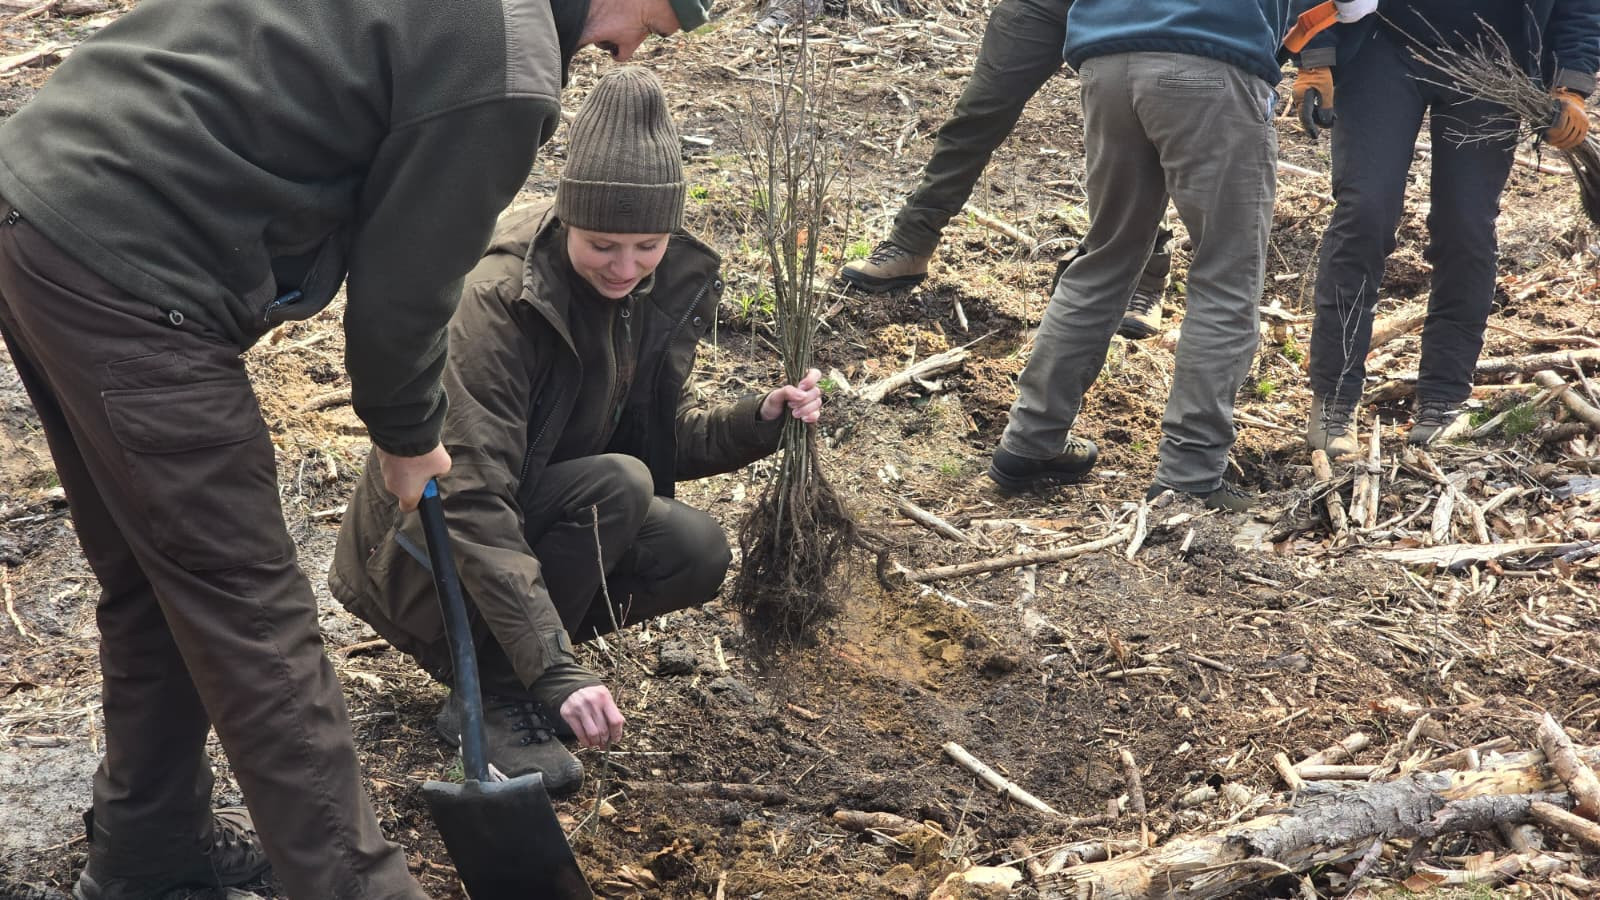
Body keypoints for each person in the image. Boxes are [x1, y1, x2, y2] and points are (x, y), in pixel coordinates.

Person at [0, 0, 712, 895]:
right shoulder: (506, 62)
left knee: (161, 576)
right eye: (660, 17)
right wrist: (409, 433)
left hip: (42, 195)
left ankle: (149, 847)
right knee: (252, 613)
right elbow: (408, 291)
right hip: (134, 262)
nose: (642, 45)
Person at [331, 67, 822, 795]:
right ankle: (494, 691)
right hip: (418, 558)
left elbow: (650, 440)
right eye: (603, 245)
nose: (626, 267)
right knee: (617, 487)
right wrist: (555, 671)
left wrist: (759, 421)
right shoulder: (497, 302)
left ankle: (514, 672)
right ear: (568, 220)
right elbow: (468, 498)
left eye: (648, 245)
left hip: (528, 514)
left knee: (694, 549)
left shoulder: (640, 289)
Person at [985, 0, 1303, 511]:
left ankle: (1030, 439)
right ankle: (1191, 472)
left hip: (1108, 61)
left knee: (1107, 255)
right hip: (1212, 63)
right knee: (1226, 274)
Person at [1296, 1, 1598, 459]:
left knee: (1467, 227)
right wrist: (1315, 55)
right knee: (1365, 214)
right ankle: (1334, 399)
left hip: (1492, 61)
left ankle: (1442, 399)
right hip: (1384, 47)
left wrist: (1571, 82)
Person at [836, 0, 1175, 340]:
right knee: (979, 112)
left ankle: (1146, 277)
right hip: (1043, 6)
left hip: (1133, 10)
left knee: (1132, 133)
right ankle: (911, 243)